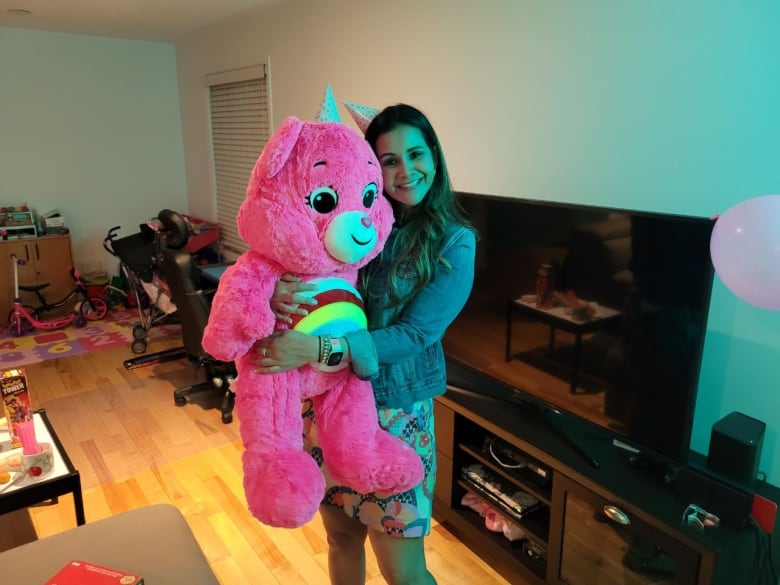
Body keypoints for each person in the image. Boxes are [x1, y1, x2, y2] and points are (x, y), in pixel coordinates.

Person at [255, 103, 476, 585]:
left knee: (404, 572)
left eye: (414, 154)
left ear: (434, 157)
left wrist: (315, 352)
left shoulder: (454, 243)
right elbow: (290, 266)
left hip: (396, 417)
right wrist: (274, 292)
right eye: (389, 160)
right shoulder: (356, 222)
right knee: (341, 540)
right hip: (327, 406)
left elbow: (414, 335)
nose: (405, 171)